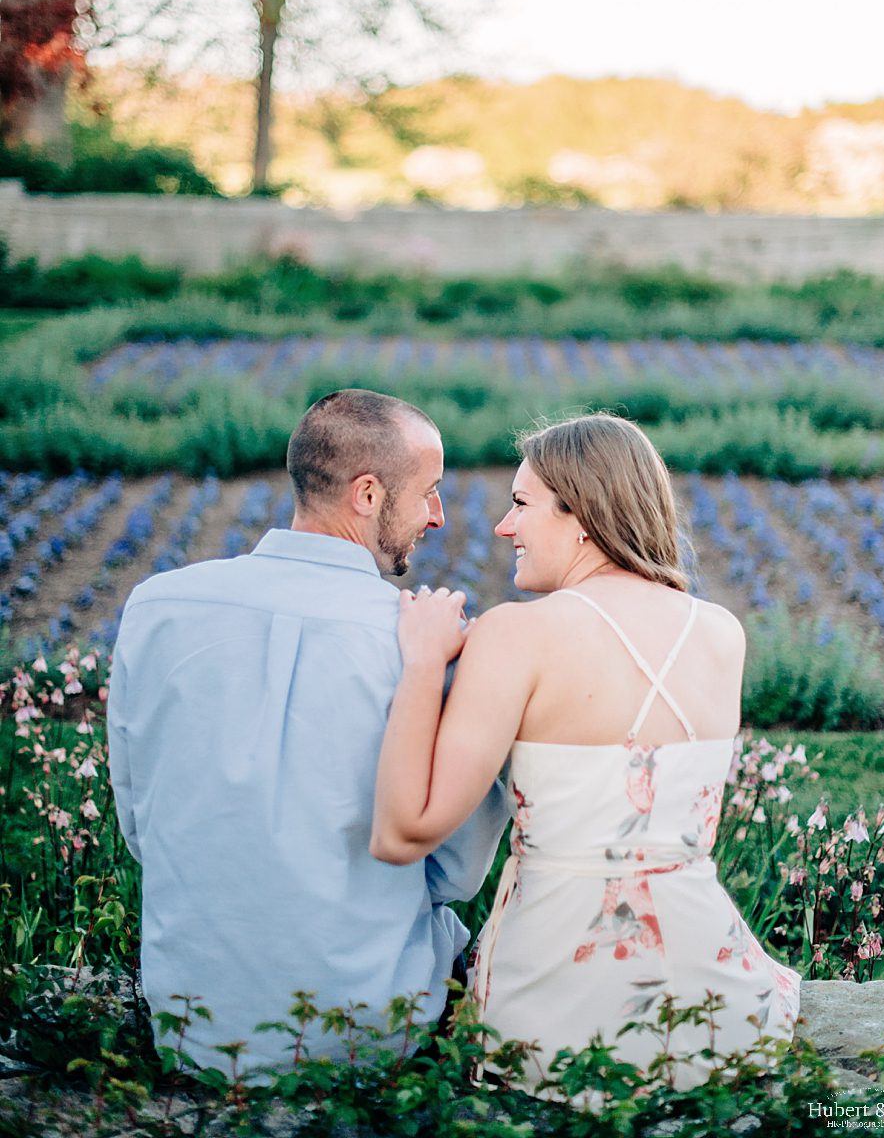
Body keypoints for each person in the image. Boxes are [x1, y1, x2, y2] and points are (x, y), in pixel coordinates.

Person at [371, 412, 801, 1095]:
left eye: (520, 505)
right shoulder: (721, 633)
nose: (502, 528)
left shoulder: (516, 636)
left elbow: (404, 832)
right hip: (718, 1004)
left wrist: (423, 663)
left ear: (583, 515)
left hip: (554, 1011)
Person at [107, 389, 507, 1075]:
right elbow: (455, 873)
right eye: (429, 492)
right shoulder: (422, 646)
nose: (438, 517)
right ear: (369, 494)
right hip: (365, 1029)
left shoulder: (157, 607)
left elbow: (139, 824)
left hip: (191, 1025)